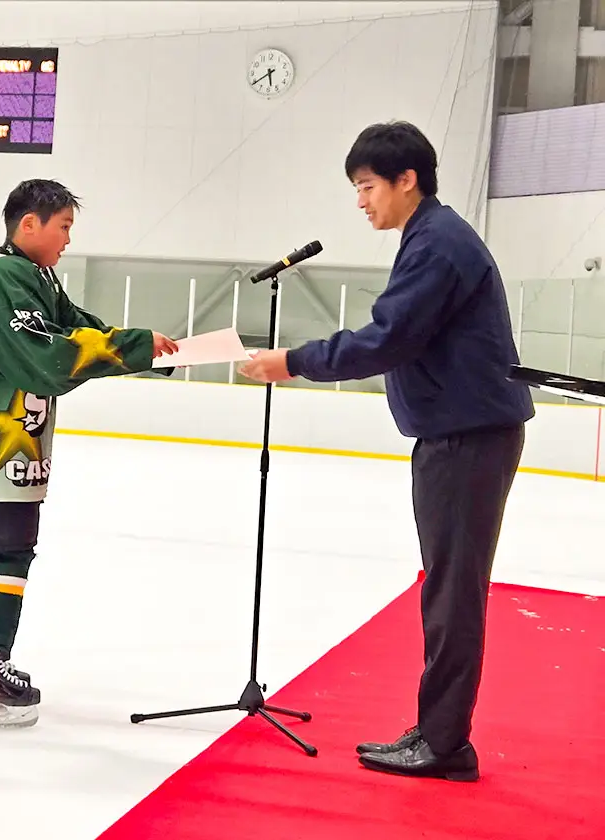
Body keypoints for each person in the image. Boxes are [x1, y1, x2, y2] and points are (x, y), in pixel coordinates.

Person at [239, 121, 534, 781]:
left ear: (409, 180)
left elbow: (388, 337)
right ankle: (440, 730)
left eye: (367, 186)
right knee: (449, 587)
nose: (361, 201)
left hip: (468, 436)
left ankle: (445, 744)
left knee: (453, 592)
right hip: (460, 432)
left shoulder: (438, 245)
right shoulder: (429, 236)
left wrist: (294, 360)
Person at [0, 179, 179, 728]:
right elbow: (45, 356)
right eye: (63, 226)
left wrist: (142, 344)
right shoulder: (4, 275)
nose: (69, 239)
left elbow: (75, 326)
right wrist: (133, 348)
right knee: (4, 549)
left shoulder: (30, 276)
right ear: (29, 225)